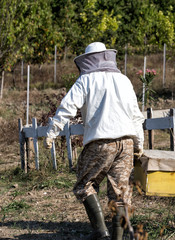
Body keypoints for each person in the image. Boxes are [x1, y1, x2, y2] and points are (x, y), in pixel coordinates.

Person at [44, 42, 144, 240]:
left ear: (88, 60)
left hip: (102, 142)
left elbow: (67, 107)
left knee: (84, 185)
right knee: (121, 193)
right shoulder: (124, 80)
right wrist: (139, 143)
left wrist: (52, 132)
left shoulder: (86, 80)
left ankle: (100, 231)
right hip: (127, 143)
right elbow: (136, 114)